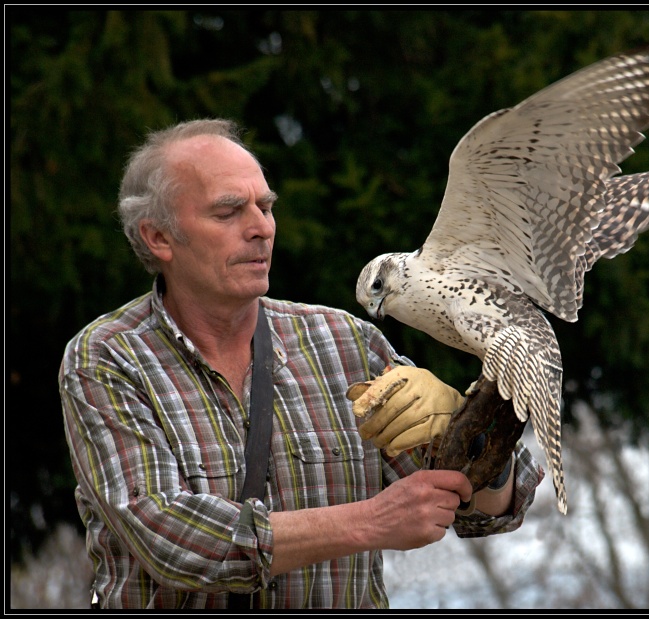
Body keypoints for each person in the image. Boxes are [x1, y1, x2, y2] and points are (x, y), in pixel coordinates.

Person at [59, 118, 544, 609]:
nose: (261, 228)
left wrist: (472, 426)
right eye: (229, 211)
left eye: (265, 207)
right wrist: (371, 521)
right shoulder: (108, 358)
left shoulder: (345, 343)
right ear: (159, 237)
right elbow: (171, 539)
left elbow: (482, 509)